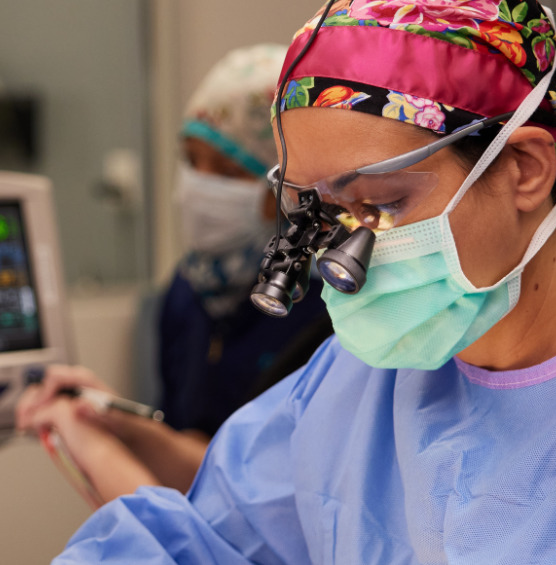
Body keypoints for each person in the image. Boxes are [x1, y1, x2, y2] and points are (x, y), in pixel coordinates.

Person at [55, 0, 556, 563]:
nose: (348, 253)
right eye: (324, 211)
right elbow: (205, 538)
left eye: (380, 203)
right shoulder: (364, 375)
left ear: (523, 168)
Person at [17, 44, 333, 506]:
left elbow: (252, 490)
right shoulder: (189, 291)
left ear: (292, 190)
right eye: (190, 162)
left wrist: (95, 437)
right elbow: (195, 458)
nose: (199, 187)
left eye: (227, 170)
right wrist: (109, 417)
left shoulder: (323, 311)